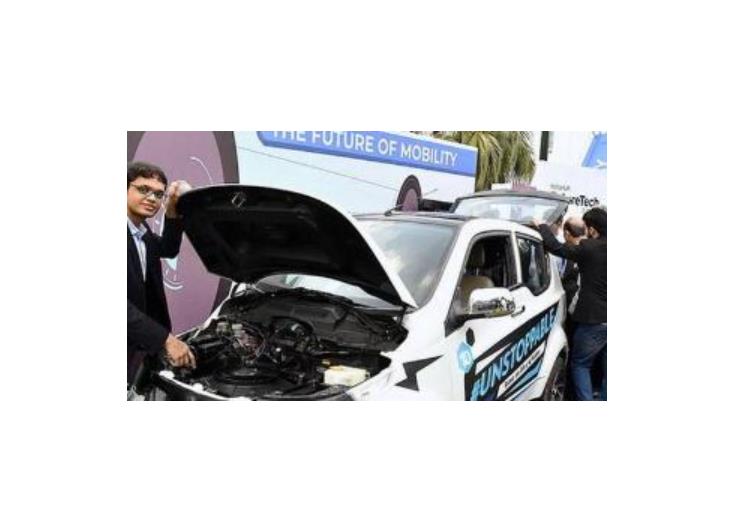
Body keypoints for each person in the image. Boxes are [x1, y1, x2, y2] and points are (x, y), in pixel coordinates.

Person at [127, 161, 195, 394]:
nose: (152, 198)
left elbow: (167, 248)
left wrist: (173, 212)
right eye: (143, 189)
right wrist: (166, 339)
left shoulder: (142, 232)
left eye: (158, 194)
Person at [533, 208, 606, 401]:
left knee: (580, 364)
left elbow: (556, 247)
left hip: (594, 320)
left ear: (592, 229)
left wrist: (542, 225)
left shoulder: (590, 248)